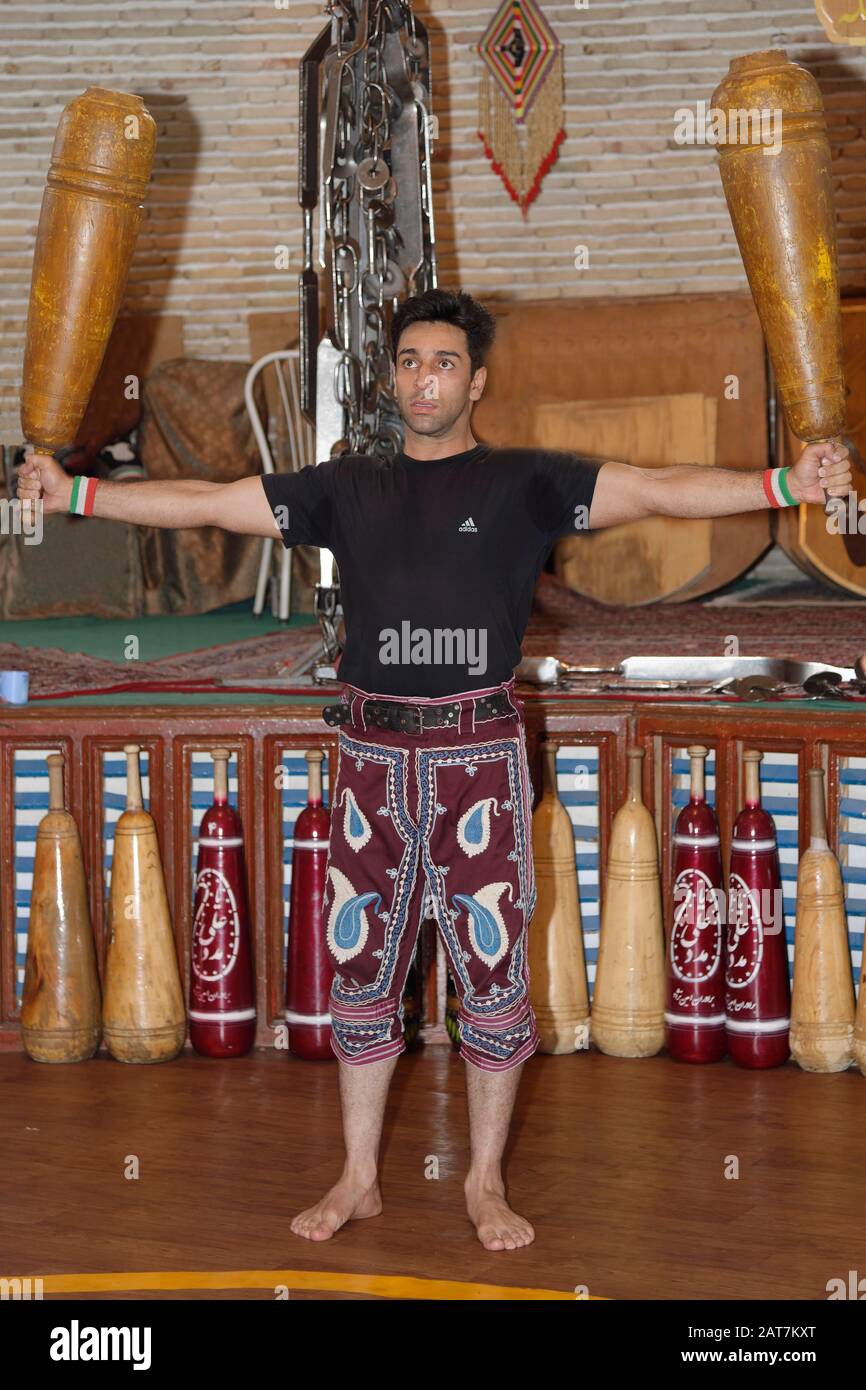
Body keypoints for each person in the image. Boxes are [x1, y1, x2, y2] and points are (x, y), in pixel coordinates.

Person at [18, 288, 852, 1252]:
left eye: (444, 362)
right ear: (394, 376)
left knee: (492, 979)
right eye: (410, 360)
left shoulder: (525, 483)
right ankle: (359, 1177)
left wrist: (783, 485)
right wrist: (78, 493)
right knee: (359, 975)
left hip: (476, 760)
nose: (424, 377)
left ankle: (484, 1182)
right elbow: (210, 503)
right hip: (371, 760)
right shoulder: (346, 487)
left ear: (476, 380)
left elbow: (660, 486)